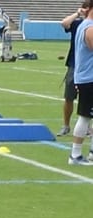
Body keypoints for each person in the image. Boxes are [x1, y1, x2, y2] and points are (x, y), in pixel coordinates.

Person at [69, 1, 93, 165]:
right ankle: (75, 155)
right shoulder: (89, 28)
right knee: (85, 117)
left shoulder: (84, 25)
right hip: (89, 78)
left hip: (85, 77)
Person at [59, 6, 86, 136]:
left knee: (88, 98)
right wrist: (77, 13)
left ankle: (87, 127)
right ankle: (66, 125)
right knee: (69, 97)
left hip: (89, 67)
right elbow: (64, 23)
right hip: (74, 64)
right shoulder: (77, 24)